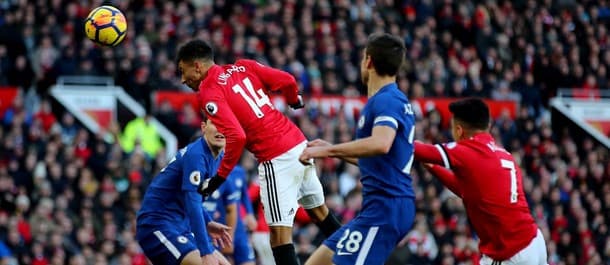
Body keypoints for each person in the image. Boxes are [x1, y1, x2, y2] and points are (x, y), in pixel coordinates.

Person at [176, 39, 342, 265]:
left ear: (197, 66)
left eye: (183, 71)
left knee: (278, 237)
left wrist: (218, 179)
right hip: (299, 144)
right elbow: (288, 80)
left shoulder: (208, 91)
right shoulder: (244, 66)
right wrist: (294, 100)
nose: (183, 79)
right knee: (320, 214)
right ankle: (360, 258)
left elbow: (236, 136)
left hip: (276, 158)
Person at [299, 33, 416, 265]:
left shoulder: (387, 100)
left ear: (368, 61)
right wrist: (334, 148)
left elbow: (381, 144)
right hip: (379, 208)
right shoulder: (387, 100)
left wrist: (327, 152)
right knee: (317, 262)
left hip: (385, 209)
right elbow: (381, 160)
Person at [413, 98, 547, 265]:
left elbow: (418, 150)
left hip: (510, 252)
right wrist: (433, 167)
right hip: (533, 240)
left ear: (459, 130)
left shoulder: (469, 150)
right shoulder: (503, 153)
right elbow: (466, 191)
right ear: (488, 126)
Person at [135, 115, 232, 265]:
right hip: (157, 225)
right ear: (203, 127)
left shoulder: (218, 157)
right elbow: (192, 204)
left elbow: (195, 199)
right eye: (215, 124)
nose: (220, 130)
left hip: (181, 225)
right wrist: (206, 251)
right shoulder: (197, 156)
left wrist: (208, 223)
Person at [202, 166, 256, 265]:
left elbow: (243, 196)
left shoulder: (239, 172)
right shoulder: (206, 171)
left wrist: (250, 213)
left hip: (237, 227)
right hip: (217, 228)